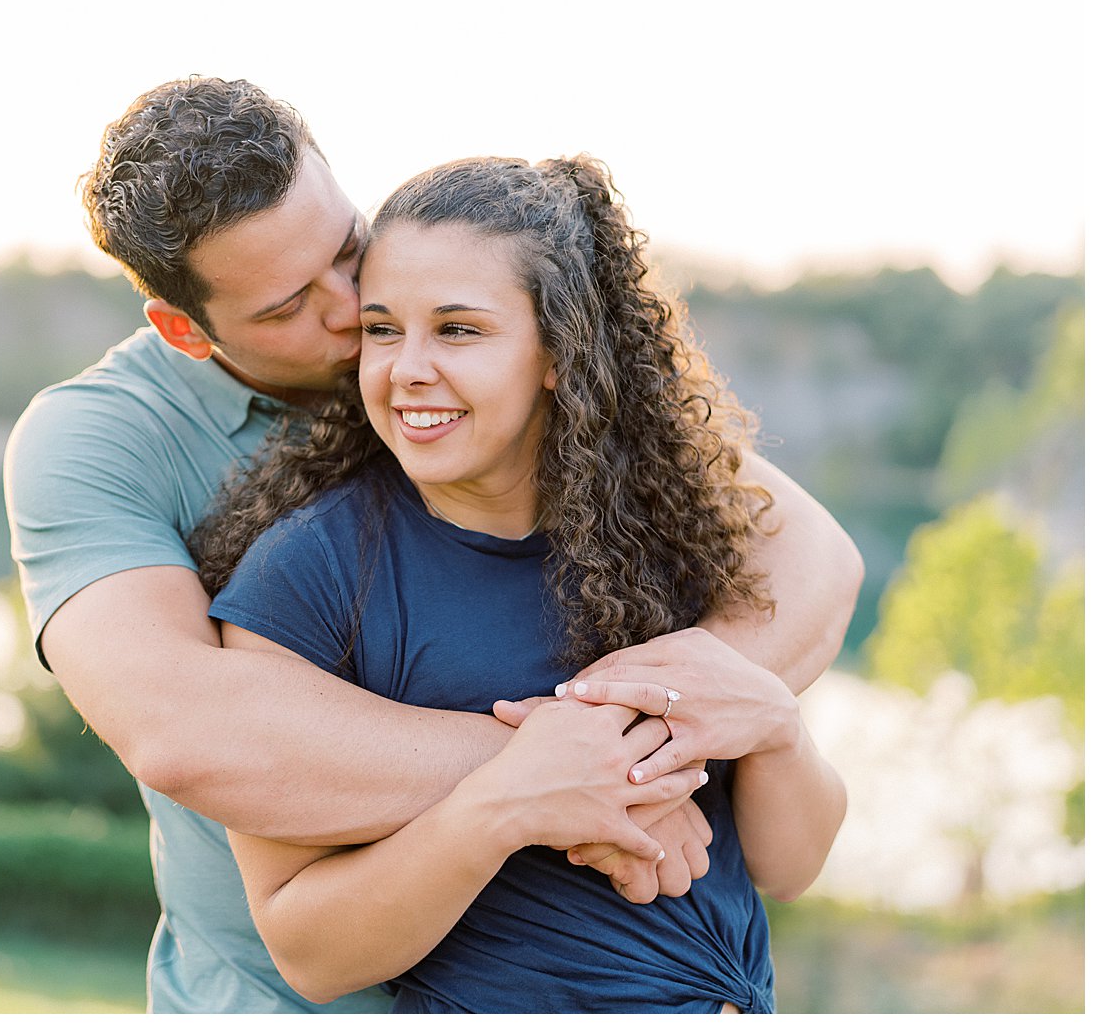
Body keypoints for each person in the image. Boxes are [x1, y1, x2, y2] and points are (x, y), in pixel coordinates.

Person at [3, 77, 863, 1013]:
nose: (351, 301)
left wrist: (675, 731)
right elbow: (191, 731)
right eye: (292, 303)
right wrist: (564, 768)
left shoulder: (502, 378)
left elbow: (810, 556)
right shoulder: (102, 443)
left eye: (345, 247)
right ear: (185, 330)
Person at [197, 154, 847, 1013]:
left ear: (557, 351)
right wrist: (512, 803)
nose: (408, 368)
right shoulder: (306, 578)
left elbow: (788, 869)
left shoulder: (676, 533)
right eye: (384, 329)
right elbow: (309, 949)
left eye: (458, 330)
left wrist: (773, 724)